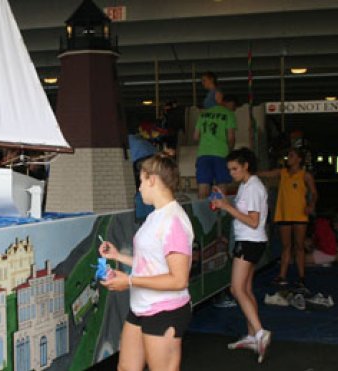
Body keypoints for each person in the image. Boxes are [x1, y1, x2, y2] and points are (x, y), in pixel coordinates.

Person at [99, 153, 193, 371]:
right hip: (141, 307)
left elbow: (179, 280)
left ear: (152, 179)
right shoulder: (155, 216)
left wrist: (130, 281)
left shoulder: (174, 221)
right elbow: (151, 263)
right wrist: (118, 256)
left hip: (165, 310)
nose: (139, 188)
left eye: (141, 181)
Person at [211, 147, 271, 363]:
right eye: (230, 169)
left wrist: (227, 207)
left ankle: (260, 332)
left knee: (236, 289)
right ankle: (253, 335)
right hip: (250, 241)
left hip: (250, 242)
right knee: (245, 289)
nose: (232, 173)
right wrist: (225, 198)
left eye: (235, 169)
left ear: (246, 166)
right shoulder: (246, 185)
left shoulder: (254, 187)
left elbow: (253, 222)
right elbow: (246, 213)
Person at [259, 148, 317, 287]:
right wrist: (248, 172)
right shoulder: (282, 172)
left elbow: (314, 193)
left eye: (291, 156)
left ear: (299, 159)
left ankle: (301, 277)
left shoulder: (305, 175)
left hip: (300, 215)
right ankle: (282, 276)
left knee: (299, 246)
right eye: (288, 155)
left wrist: (311, 205)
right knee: (286, 247)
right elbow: (266, 174)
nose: (288, 158)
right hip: (284, 214)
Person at [194, 95, 238, 199]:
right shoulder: (229, 114)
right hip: (222, 153)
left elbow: (195, 137)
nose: (234, 109)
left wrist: (205, 144)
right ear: (229, 103)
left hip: (203, 154)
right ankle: (220, 213)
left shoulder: (203, 114)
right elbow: (231, 137)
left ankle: (201, 213)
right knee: (221, 183)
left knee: (203, 183)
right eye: (234, 107)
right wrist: (230, 150)